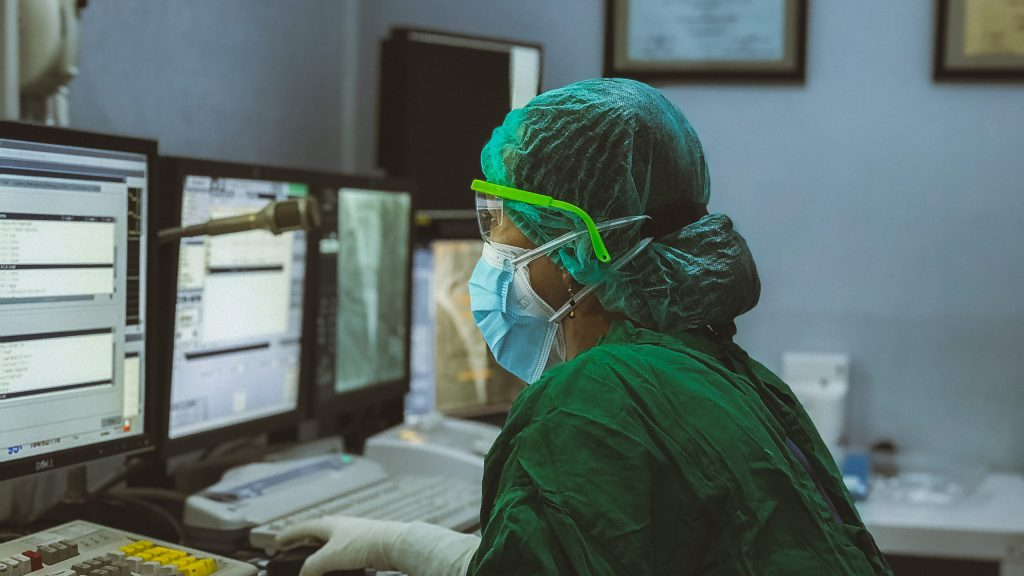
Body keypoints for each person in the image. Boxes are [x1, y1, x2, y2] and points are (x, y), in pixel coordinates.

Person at [279, 78, 893, 575]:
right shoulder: (721, 372)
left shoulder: (593, 404)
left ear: (580, 242)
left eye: (502, 217)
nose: (489, 243)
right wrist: (401, 544)